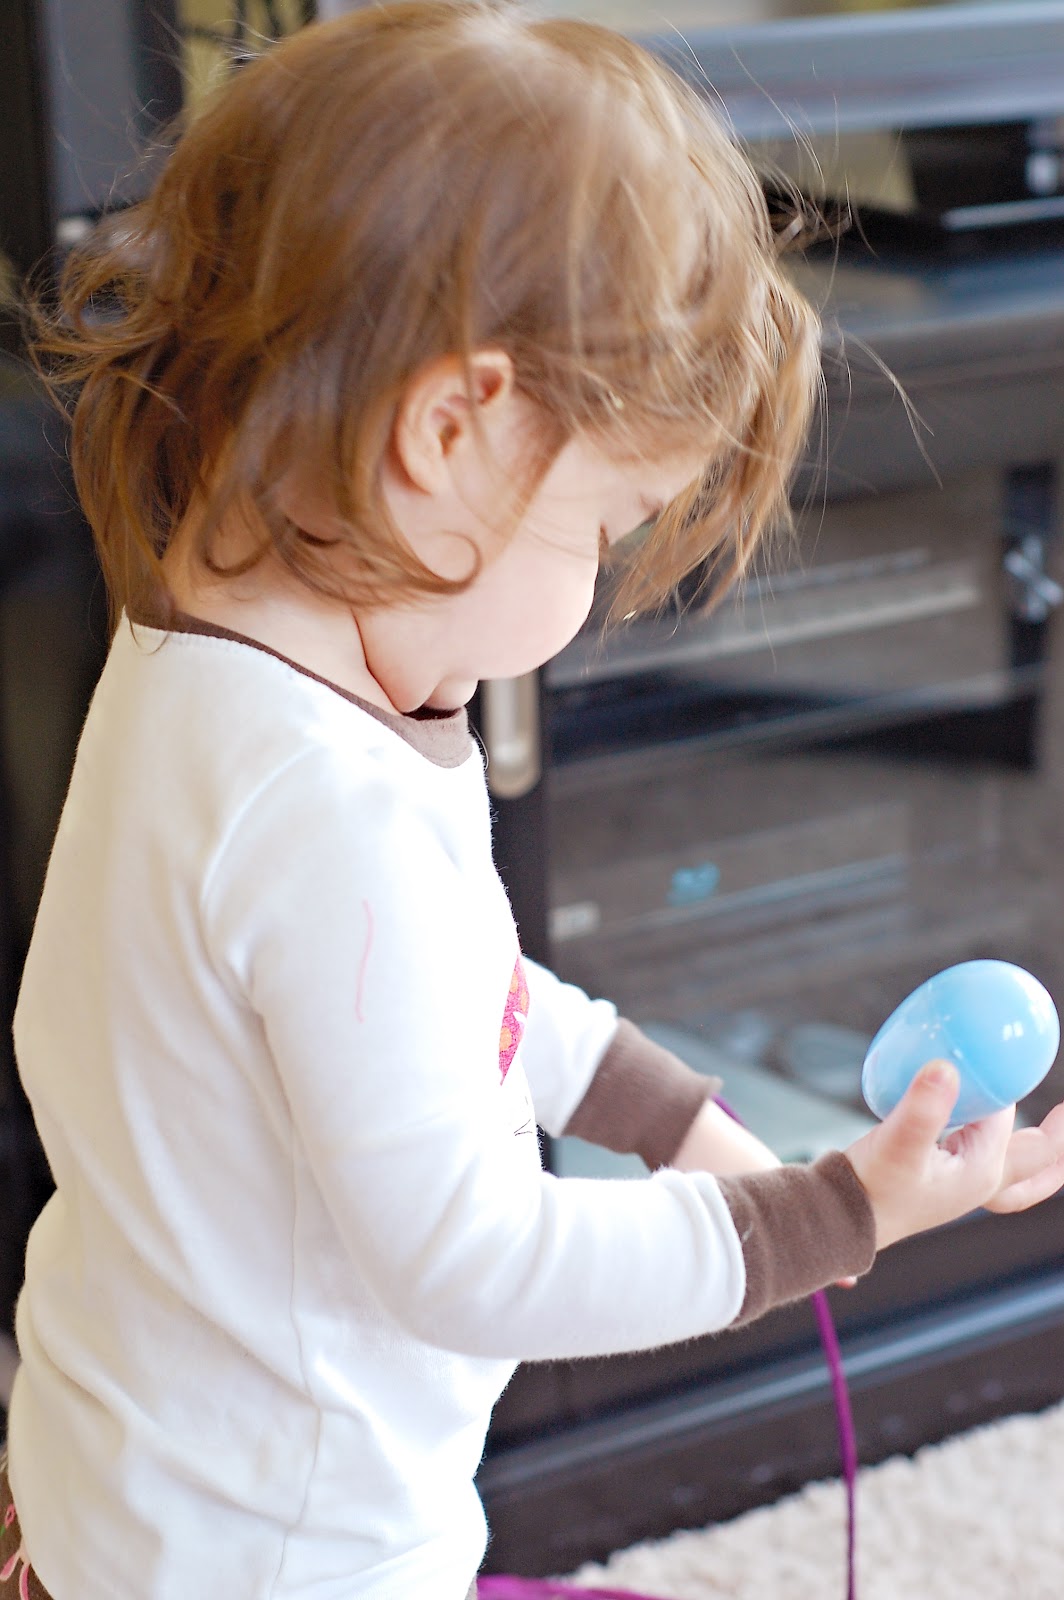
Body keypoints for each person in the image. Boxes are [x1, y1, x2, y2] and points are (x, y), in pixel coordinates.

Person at [4, 5, 1064, 1597]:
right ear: (451, 432)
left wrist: (667, 1113)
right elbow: (478, 1259)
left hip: (125, 1490)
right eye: (602, 528)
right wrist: (832, 1214)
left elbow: (452, 992)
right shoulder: (326, 816)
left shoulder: (202, 670)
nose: (598, 596)